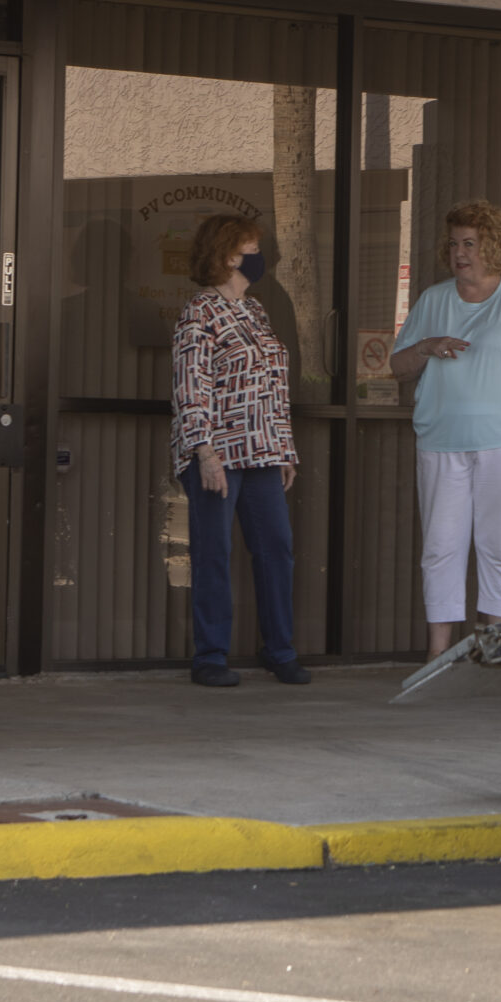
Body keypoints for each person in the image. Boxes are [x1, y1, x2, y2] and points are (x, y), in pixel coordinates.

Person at [390, 200, 501, 657]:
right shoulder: (433, 299)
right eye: (453, 244)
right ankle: (439, 653)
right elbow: (397, 366)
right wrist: (427, 345)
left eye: (470, 243)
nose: (459, 253)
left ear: (494, 247)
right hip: (441, 442)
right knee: (441, 548)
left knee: (499, 547)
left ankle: (496, 648)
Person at [170, 213, 309, 688]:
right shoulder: (200, 311)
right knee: (214, 552)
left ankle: (281, 649)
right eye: (252, 248)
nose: (259, 256)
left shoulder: (256, 311)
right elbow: (192, 386)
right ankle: (210, 656)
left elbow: (274, 385)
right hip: (219, 455)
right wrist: (204, 453)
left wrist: (285, 449)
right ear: (229, 255)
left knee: (277, 549)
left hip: (264, 454)